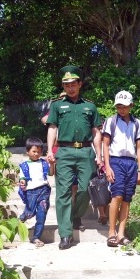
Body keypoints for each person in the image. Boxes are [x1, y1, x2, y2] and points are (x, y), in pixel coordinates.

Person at [46, 65, 103, 250]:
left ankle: (75, 214)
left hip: (86, 152)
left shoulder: (90, 105)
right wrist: (49, 151)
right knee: (62, 192)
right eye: (66, 84)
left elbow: (96, 131)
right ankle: (65, 235)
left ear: (80, 84)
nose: (70, 87)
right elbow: (52, 127)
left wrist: (99, 155)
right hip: (64, 152)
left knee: (87, 189)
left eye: (73, 84)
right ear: (63, 86)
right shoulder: (57, 105)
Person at [102, 90, 140, 247]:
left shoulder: (136, 123)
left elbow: (139, 147)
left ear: (131, 106)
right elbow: (105, 145)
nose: (122, 109)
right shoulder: (111, 121)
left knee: (127, 198)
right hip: (116, 161)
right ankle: (111, 232)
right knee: (117, 195)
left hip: (131, 163)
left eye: (125, 106)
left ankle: (121, 233)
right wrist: (107, 167)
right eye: (119, 106)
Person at [18, 137, 54, 247]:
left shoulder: (43, 163)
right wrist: (22, 182)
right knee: (30, 212)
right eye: (34, 151)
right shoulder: (24, 165)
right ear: (27, 152)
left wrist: (52, 164)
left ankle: (36, 237)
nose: (36, 154)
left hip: (44, 191)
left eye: (39, 152)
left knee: (41, 214)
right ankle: (22, 218)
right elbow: (22, 178)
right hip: (31, 192)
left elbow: (51, 173)